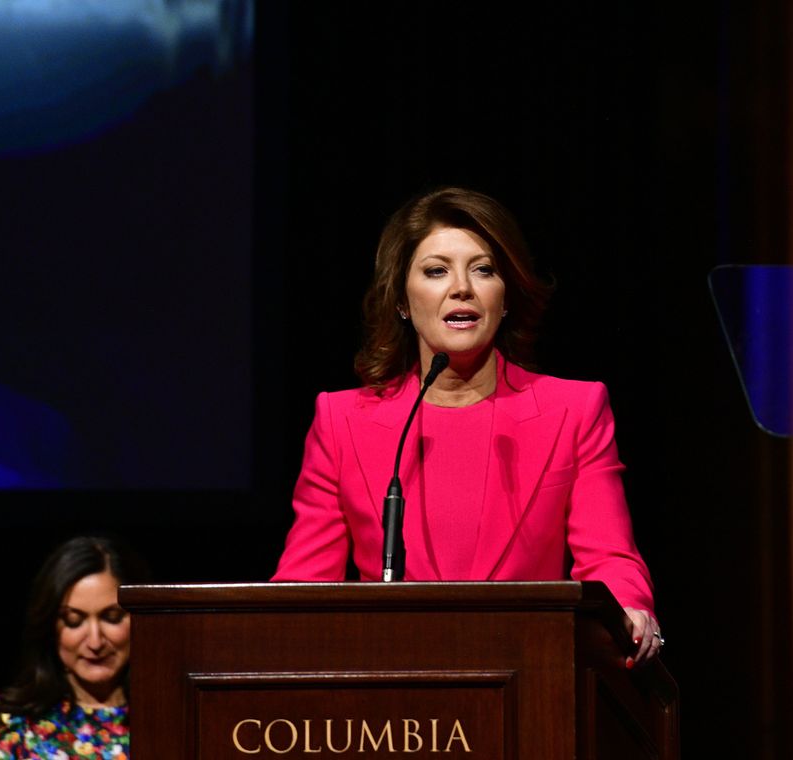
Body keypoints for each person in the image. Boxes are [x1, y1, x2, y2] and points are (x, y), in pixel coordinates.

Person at [272, 186, 662, 667]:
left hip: (531, 677)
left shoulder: (575, 410)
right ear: (401, 301)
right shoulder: (342, 421)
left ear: (505, 298)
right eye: (437, 271)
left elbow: (609, 558)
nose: (462, 288)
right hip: (390, 693)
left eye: (484, 270)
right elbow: (303, 588)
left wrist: (631, 609)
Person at [0, 535, 151, 759]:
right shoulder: (5, 724)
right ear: (50, 625)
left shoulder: (172, 717)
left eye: (111, 617)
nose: (95, 642)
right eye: (73, 620)